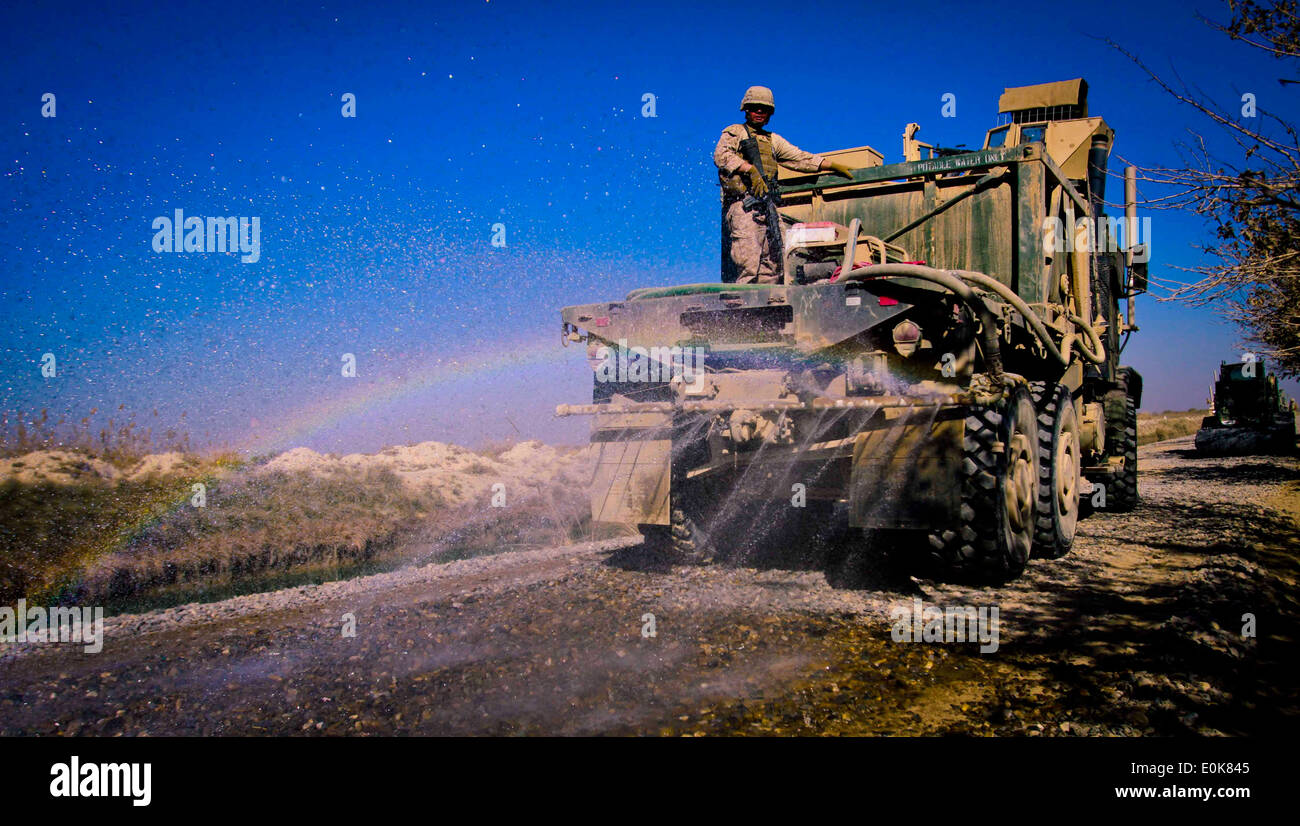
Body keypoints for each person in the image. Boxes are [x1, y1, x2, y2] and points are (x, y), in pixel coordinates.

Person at [714, 86, 854, 283]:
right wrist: (749, 170)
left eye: (765, 109)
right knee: (748, 265)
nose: (760, 112)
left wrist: (830, 165)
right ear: (746, 109)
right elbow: (721, 156)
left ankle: (768, 307)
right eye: (755, 108)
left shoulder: (773, 141)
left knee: (775, 264)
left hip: (767, 206)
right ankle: (740, 309)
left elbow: (799, 158)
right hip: (743, 206)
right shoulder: (736, 132)